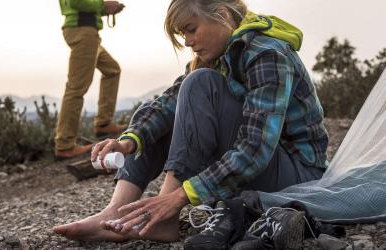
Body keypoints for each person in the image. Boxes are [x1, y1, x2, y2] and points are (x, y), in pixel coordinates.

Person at [53, 0, 328, 242]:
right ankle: (116, 211)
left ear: (221, 14)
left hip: (296, 172)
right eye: (182, 33)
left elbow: (255, 149)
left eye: (191, 29)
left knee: (199, 84)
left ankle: (163, 219)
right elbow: (167, 104)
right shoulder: (215, 54)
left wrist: (179, 197)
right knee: (177, 103)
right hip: (263, 166)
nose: (187, 41)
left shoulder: (267, 52)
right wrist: (128, 141)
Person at [55, 0, 127, 159]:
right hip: (83, 31)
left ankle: (103, 123)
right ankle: (64, 145)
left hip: (87, 31)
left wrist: (104, 9)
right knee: (76, 88)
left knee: (112, 70)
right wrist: (103, 5)